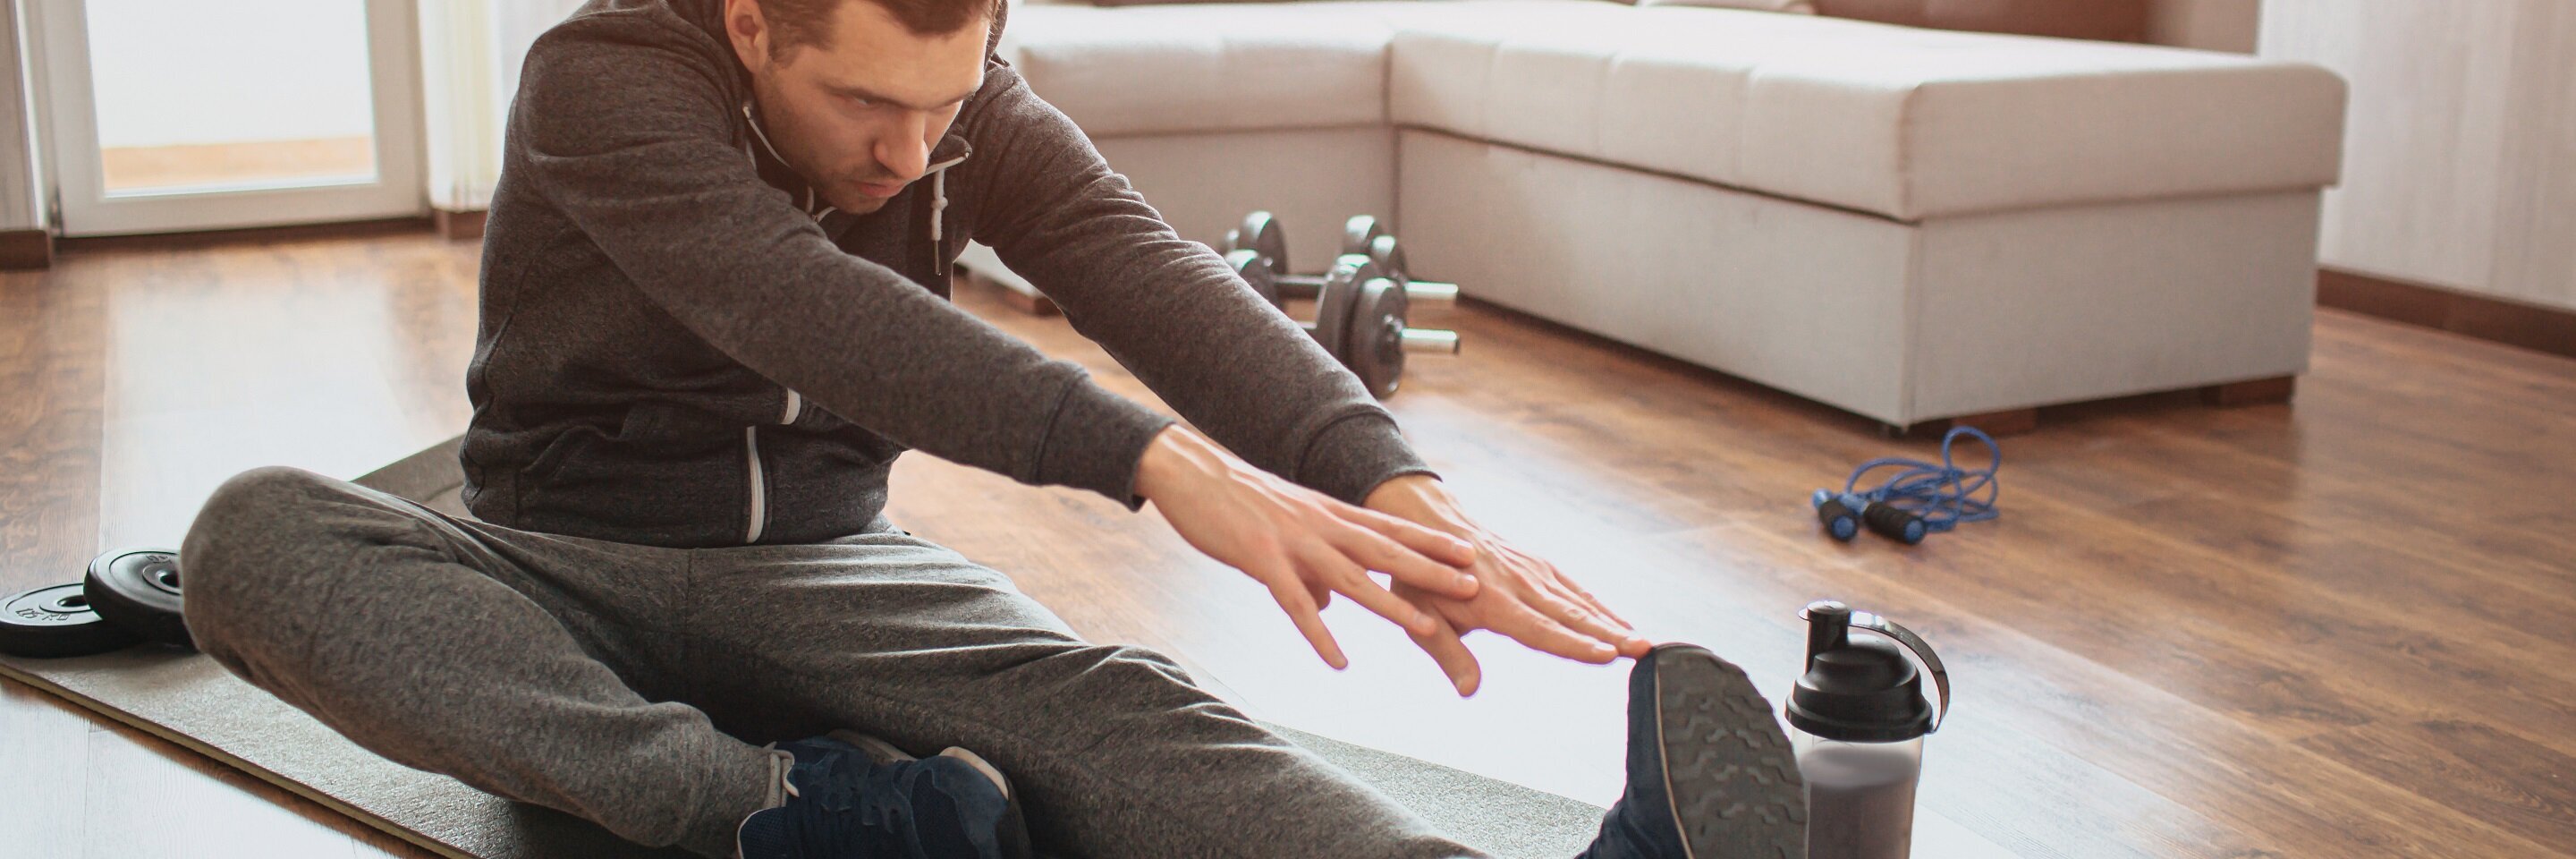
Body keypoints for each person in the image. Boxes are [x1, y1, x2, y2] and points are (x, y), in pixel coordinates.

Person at [177, 0, 1806, 856]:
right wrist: (1157, 464)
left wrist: (1396, 476)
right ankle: (768, 808)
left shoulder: (965, 111)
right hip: (551, 559)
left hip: (830, 574)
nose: (908, 151)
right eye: (865, 105)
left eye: (946, 106)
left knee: (1127, 710)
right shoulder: (602, 80)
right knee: (251, 536)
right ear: (751, 22)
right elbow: (804, 303)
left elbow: (1144, 270)